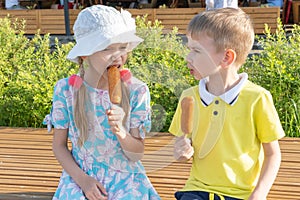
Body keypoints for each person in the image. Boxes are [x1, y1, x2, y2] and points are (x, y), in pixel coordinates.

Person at [43, 5, 161, 200]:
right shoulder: (66, 90)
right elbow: (59, 146)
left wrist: (121, 132)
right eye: (107, 48)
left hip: (126, 177)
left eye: (122, 47)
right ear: (85, 53)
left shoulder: (136, 91)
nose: (118, 55)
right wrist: (83, 180)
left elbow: (136, 154)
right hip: (81, 175)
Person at [169, 7, 285, 200]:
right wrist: (181, 151)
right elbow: (182, 145)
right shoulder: (188, 97)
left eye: (196, 51)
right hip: (196, 190)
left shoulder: (257, 98)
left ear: (226, 57)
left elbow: (273, 155)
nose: (188, 58)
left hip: (240, 194)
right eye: (189, 49)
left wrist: (259, 194)